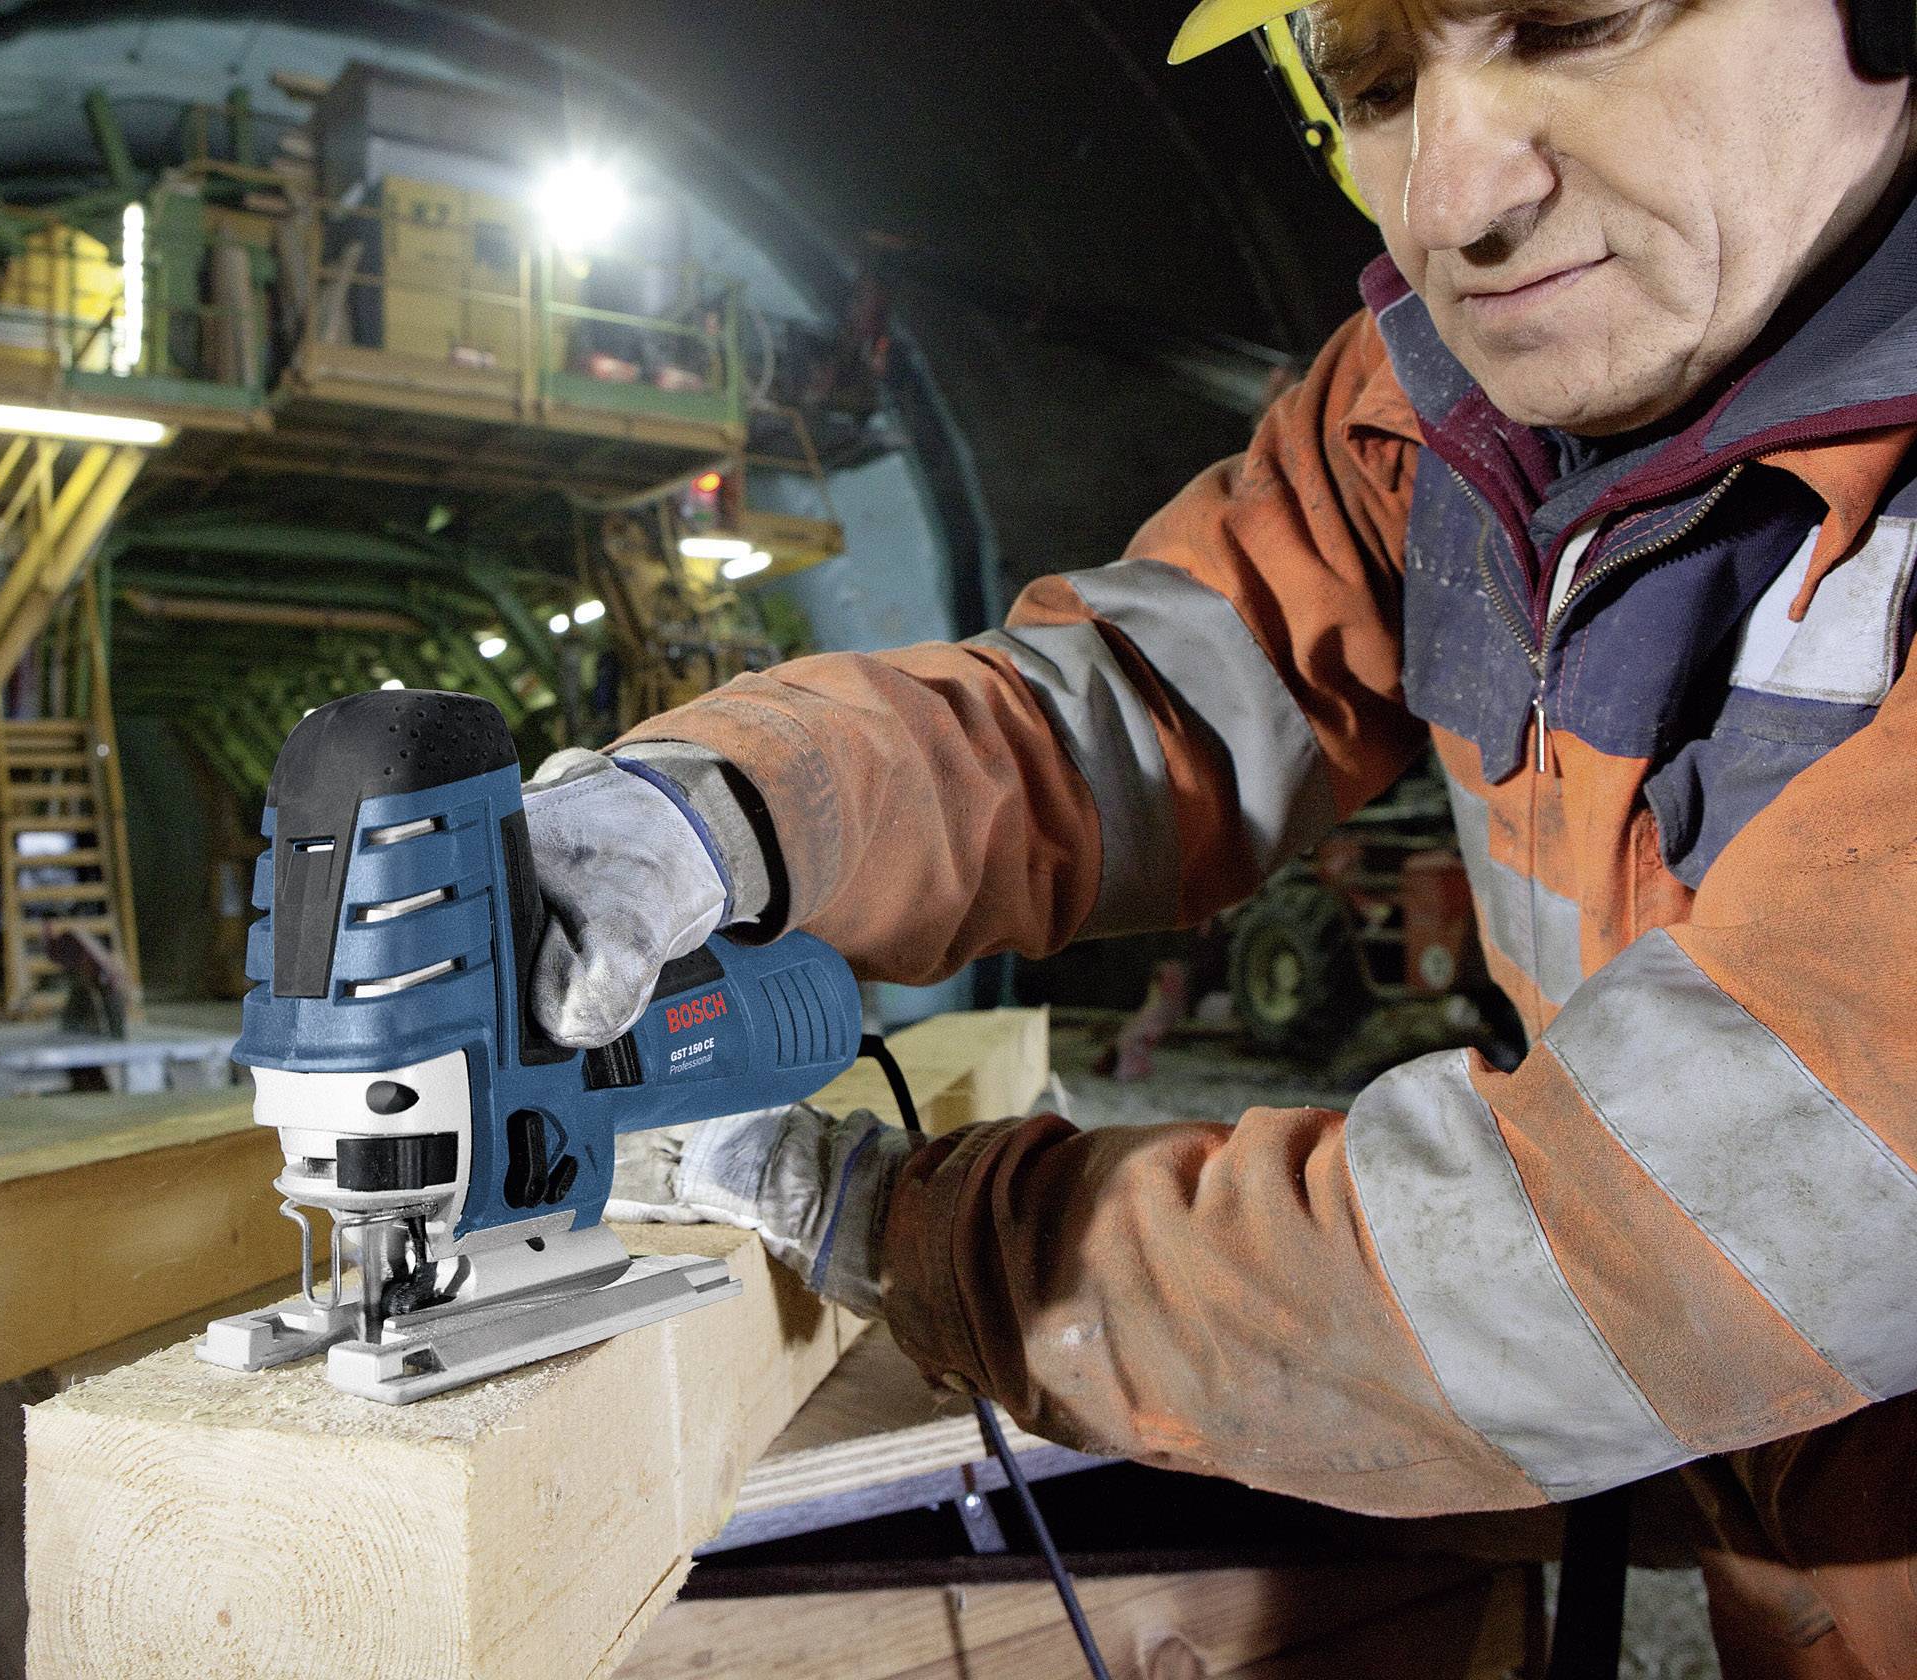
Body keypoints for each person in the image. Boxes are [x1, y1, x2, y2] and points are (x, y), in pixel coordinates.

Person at [519, 3, 1917, 1673]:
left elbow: (1599, 1262)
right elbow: (1121, 707)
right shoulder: (1440, 411)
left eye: (1570, 20)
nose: (1451, 200)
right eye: (1372, 85)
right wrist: (724, 807)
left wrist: (906, 1225)